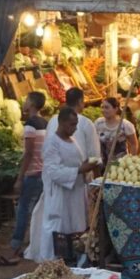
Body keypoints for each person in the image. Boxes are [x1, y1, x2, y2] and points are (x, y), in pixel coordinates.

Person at [0, 92, 47, 267]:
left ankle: (15, 248)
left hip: (33, 174)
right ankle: (34, 246)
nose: (24, 102)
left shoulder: (30, 125)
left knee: (23, 210)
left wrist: (20, 177)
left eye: (26, 100)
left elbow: (29, 153)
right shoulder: (45, 122)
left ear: (31, 104)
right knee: (38, 212)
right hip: (43, 173)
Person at [40, 107, 100, 261]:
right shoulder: (52, 143)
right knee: (60, 225)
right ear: (63, 123)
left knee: (75, 225)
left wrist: (89, 164)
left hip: (76, 191)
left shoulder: (71, 140)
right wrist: (80, 170)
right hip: (61, 193)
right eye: (72, 125)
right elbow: (53, 172)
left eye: (76, 125)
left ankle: (74, 258)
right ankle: (57, 260)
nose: (74, 129)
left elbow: (76, 161)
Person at [95, 97, 138, 164]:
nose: (103, 110)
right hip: (103, 163)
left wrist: (131, 161)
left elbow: (133, 144)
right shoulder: (98, 123)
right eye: (102, 107)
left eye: (106, 107)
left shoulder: (125, 125)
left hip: (120, 165)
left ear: (116, 109)